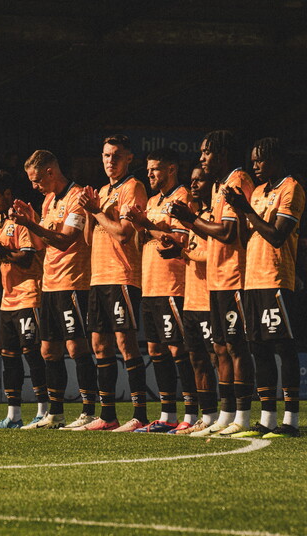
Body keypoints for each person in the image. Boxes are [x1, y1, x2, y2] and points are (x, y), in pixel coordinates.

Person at [170, 130, 256, 437]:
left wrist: (190, 219)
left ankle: (243, 417)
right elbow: (214, 232)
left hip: (234, 276)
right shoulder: (221, 186)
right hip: (217, 281)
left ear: (221, 154)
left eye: (207, 152)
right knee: (220, 347)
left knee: (235, 347)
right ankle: (226, 414)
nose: (202, 157)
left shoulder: (238, 181)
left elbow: (229, 232)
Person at [223, 138, 306, 439]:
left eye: (260, 160)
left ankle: (291, 420)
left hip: (276, 278)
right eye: (253, 160)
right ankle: (267, 419)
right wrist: (242, 210)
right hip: (252, 280)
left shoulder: (291, 188)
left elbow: (277, 236)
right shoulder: (258, 192)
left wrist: (246, 210)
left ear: (276, 159)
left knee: (283, 347)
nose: (255, 165)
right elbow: (248, 237)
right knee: (258, 349)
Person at [13, 149, 100, 430]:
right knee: (49, 350)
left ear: (51, 172)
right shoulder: (49, 200)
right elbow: (42, 246)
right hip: (49, 284)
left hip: (73, 282)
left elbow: (66, 241)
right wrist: (33, 223)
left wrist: (31, 224)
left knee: (76, 347)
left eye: (37, 180)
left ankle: (88, 411)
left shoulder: (77, 197)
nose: (34, 186)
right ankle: (56, 413)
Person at [75, 134, 148, 431]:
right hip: (98, 277)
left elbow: (123, 233)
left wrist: (95, 211)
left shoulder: (134, 188)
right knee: (99, 345)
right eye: (106, 155)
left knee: (125, 344)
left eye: (116, 155)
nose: (110, 161)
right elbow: (89, 239)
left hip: (122, 275)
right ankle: (107, 416)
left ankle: (140, 414)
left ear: (129, 158)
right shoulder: (103, 191)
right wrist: (91, 212)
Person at [124, 149, 197, 432]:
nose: (150, 174)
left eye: (155, 169)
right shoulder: (153, 201)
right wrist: (145, 227)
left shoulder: (182, 198)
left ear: (171, 169)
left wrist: (147, 226)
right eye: (148, 169)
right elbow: (151, 235)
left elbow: (179, 239)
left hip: (173, 285)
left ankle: (190, 414)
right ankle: (167, 414)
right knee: (155, 349)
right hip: (150, 285)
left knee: (179, 348)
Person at [0, 169, 49, 429]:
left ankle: (43, 411)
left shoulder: (22, 217)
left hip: (30, 294)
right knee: (9, 356)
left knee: (32, 353)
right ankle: (14, 416)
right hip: (8, 298)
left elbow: (27, 258)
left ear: (7, 193)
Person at [173, 166, 222, 435]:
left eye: (199, 179)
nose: (193, 185)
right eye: (191, 180)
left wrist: (186, 252)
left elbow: (213, 252)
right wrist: (179, 250)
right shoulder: (198, 216)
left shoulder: (213, 214)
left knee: (217, 358)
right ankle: (209, 415)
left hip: (209, 297)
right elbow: (193, 251)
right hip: (190, 299)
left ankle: (230, 414)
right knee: (197, 360)